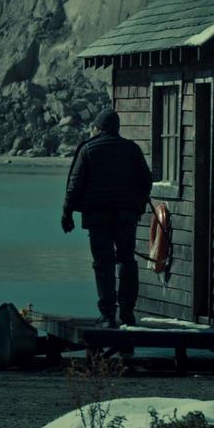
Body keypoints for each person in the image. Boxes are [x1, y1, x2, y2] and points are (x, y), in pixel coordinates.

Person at [61, 108, 152, 328]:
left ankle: (108, 316)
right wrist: (138, 207)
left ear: (98, 128)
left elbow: (75, 184)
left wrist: (67, 212)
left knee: (103, 264)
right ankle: (128, 314)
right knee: (126, 261)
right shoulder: (132, 149)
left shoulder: (88, 149)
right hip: (125, 217)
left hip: (98, 217)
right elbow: (146, 181)